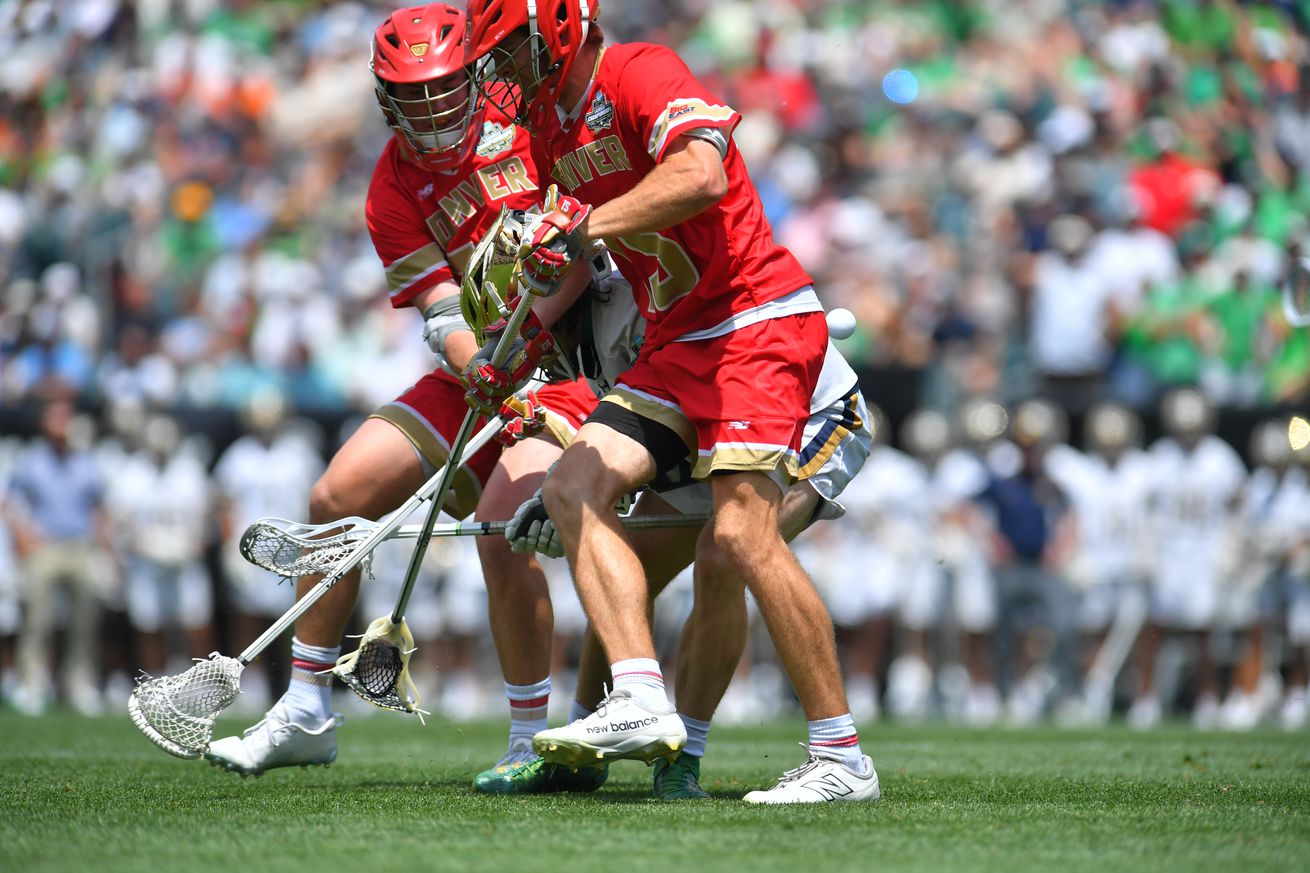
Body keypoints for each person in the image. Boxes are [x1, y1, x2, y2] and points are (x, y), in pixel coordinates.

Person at [465, 0, 880, 803]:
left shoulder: (638, 71)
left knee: (737, 542)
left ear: (554, 26)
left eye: (508, 48)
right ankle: (639, 697)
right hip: (679, 342)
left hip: (753, 326)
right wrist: (513, 343)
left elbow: (700, 173)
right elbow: (577, 264)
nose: (501, 72)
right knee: (574, 485)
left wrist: (582, 228)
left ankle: (840, 755)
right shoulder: (551, 131)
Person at [205, 6, 600, 788]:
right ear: (385, 97)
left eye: (442, 88)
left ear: (475, 72)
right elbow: (441, 308)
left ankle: (530, 736)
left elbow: (587, 244)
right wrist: (480, 362)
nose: (429, 109)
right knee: (336, 492)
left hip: (573, 361)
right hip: (480, 365)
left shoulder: (525, 112)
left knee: (499, 531)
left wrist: (524, 352)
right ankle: (307, 707)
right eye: (409, 94)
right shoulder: (392, 184)